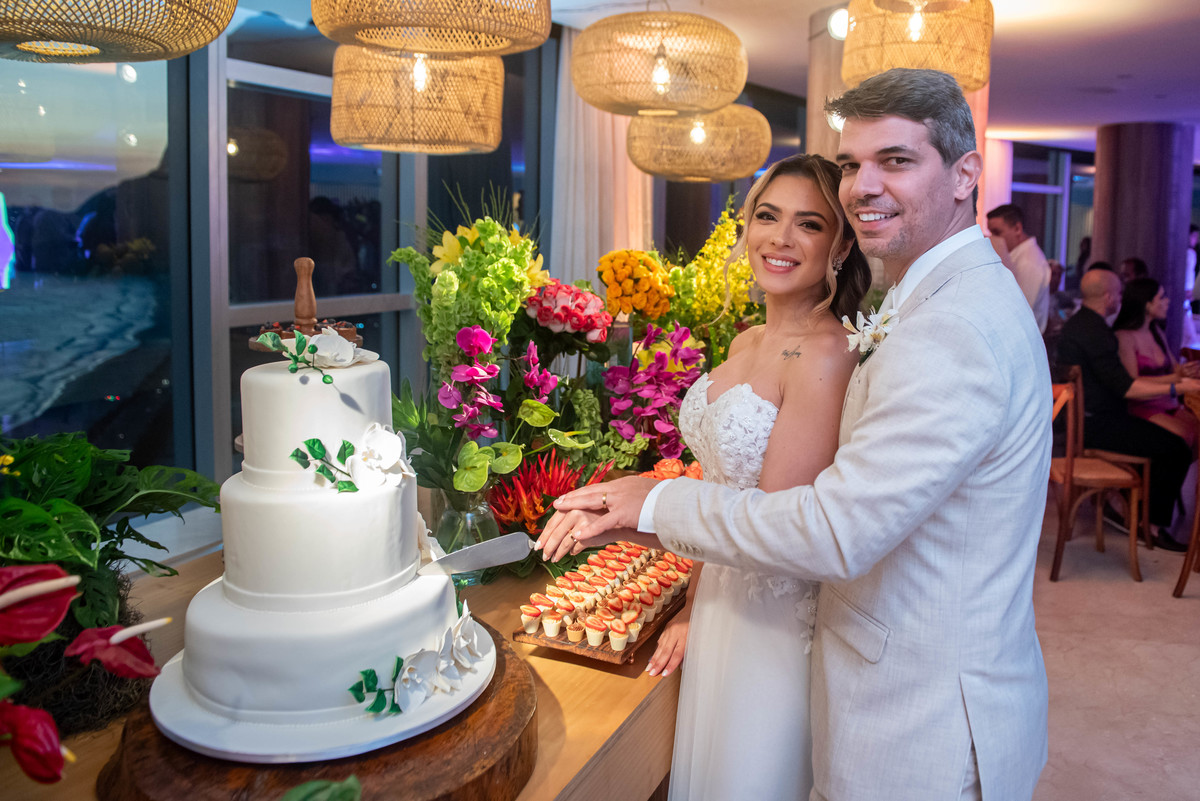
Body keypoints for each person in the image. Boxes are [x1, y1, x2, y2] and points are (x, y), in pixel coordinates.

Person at [539, 68, 1050, 801]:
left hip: (920, 719)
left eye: (896, 160)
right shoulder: (938, 299)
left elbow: (835, 530)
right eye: (852, 164)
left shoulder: (953, 327)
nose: (863, 185)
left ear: (967, 173)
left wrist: (648, 505)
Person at [637, 154, 869, 800]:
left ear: (842, 243)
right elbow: (719, 488)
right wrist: (689, 609)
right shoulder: (745, 342)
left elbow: (770, 524)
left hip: (770, 625)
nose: (780, 238)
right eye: (768, 216)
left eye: (809, 224)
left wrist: (648, 509)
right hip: (718, 602)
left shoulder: (826, 355)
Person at [1057, 269, 1198, 549]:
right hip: (1096, 425)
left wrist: (1175, 381)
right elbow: (1127, 388)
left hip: (1091, 419)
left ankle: (1129, 508)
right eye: (1119, 294)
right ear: (1109, 297)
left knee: (1172, 442)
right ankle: (1151, 526)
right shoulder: (1095, 332)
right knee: (1176, 448)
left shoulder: (1081, 325)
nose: (1121, 299)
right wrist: (1177, 388)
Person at [1113, 277, 1199, 448]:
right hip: (1143, 406)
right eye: (1161, 297)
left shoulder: (1156, 331)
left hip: (1169, 402)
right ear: (1147, 304)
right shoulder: (1125, 337)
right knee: (1184, 435)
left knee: (1196, 430)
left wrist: (1188, 371)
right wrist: (1177, 379)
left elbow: (1175, 369)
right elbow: (1132, 381)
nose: (1167, 301)